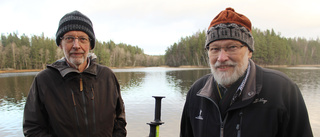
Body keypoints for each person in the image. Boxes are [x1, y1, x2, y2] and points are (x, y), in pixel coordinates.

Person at [180, 7, 313, 137]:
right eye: (214, 49)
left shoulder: (283, 90)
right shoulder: (196, 93)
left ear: (249, 51)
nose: (221, 58)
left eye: (232, 47)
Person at [23, 10, 127, 137]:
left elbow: (119, 119)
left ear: (90, 44)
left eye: (82, 39)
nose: (76, 45)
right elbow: (33, 129)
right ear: (60, 44)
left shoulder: (107, 76)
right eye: (69, 38)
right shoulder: (44, 80)